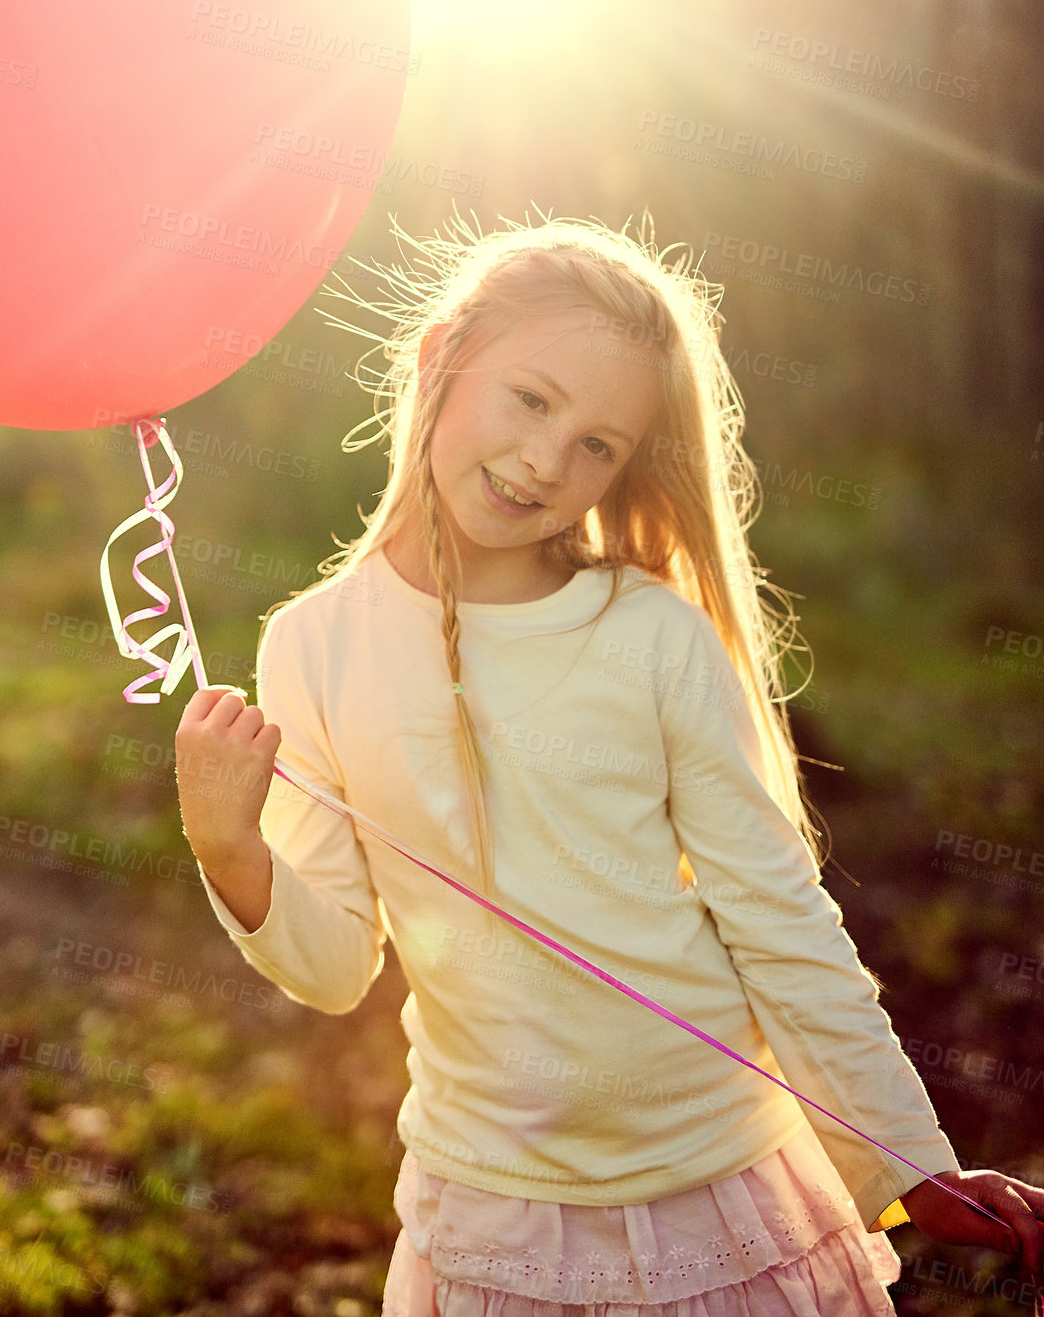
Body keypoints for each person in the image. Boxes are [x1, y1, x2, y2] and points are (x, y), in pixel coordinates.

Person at [175, 212, 1043, 1316]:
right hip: (496, 1210)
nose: (547, 461)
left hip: (718, 1189)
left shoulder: (650, 637)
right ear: (443, 355)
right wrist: (226, 843)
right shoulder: (314, 643)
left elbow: (779, 918)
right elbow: (337, 963)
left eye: (600, 445)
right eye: (531, 399)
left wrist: (910, 1160)